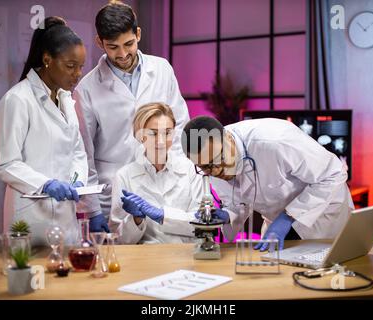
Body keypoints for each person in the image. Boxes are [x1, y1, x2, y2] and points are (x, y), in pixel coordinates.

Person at [74, 2, 189, 232]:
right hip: (114, 192)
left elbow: (179, 126)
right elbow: (84, 153)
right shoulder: (86, 89)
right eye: (113, 47)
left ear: (138, 34)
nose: (123, 54)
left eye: (128, 44)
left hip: (161, 185)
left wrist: (180, 177)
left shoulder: (162, 70)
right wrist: (93, 210)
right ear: (100, 42)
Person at [181, 116, 354, 250]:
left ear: (228, 138)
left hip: (324, 218)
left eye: (218, 160)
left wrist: (288, 218)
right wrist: (228, 214)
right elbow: (240, 201)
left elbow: (334, 173)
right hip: (277, 228)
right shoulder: (209, 158)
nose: (216, 171)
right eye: (205, 167)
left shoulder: (275, 141)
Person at [0, 17, 88, 246]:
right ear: (47, 59)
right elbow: (6, 165)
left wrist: (76, 182)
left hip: (65, 217)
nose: (77, 74)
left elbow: (77, 152)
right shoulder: (17, 99)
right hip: (30, 218)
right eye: (70, 66)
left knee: (68, 278)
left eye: (81, 67)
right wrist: (45, 184)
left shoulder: (66, 99)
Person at [111, 102, 202, 244]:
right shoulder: (124, 176)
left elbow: (201, 224)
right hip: (145, 258)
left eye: (167, 133)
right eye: (153, 133)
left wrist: (163, 215)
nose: (161, 142)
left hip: (185, 255)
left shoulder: (190, 169)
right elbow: (118, 240)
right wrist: (135, 220)